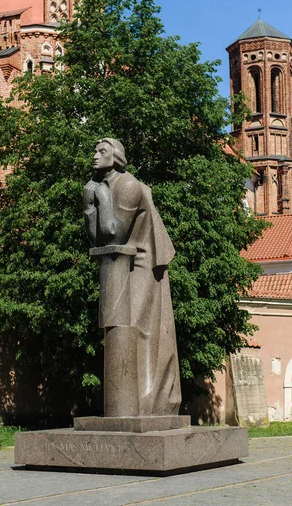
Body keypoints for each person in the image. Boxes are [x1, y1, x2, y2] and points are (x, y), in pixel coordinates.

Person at [83, 138, 181, 415]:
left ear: (116, 157)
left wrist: (99, 197)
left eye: (101, 151)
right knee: (124, 328)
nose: (95, 155)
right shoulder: (104, 185)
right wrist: (89, 204)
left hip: (143, 265)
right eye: (95, 150)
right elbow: (98, 239)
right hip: (118, 264)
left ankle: (148, 403)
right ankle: (128, 406)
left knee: (139, 328)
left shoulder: (127, 186)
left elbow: (114, 232)